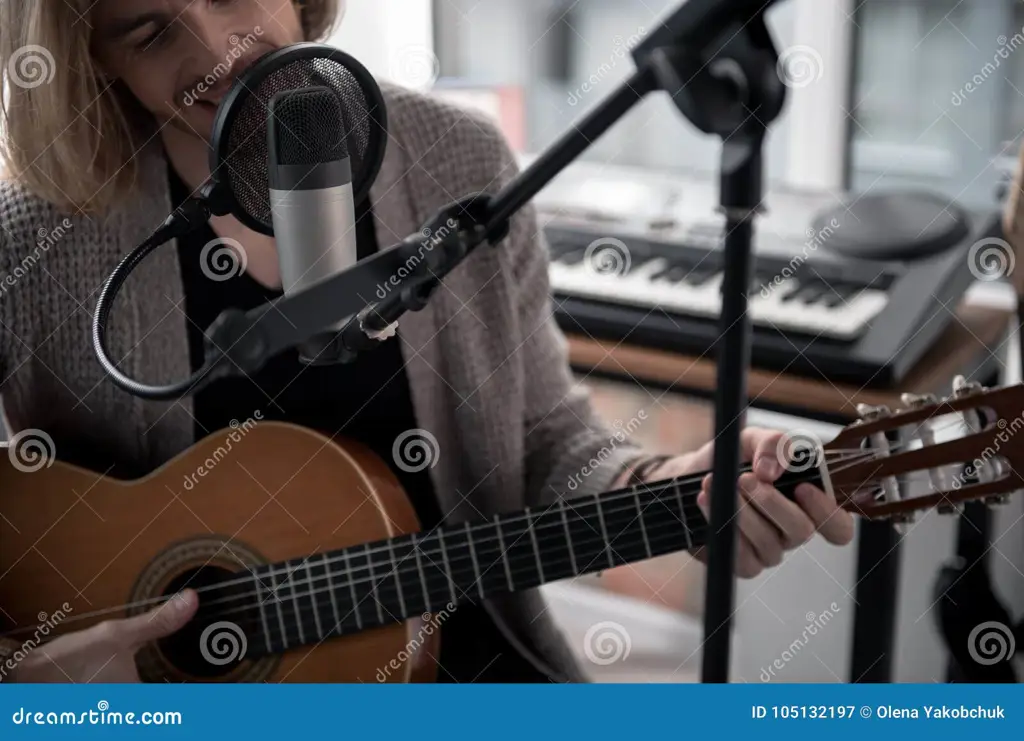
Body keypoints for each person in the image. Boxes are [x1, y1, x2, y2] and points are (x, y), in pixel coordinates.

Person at [0, 0, 854, 683]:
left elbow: (545, 441)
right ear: (93, 60)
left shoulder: (456, 161)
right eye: (150, 32)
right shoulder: (32, 243)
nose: (221, 50)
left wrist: (659, 485)